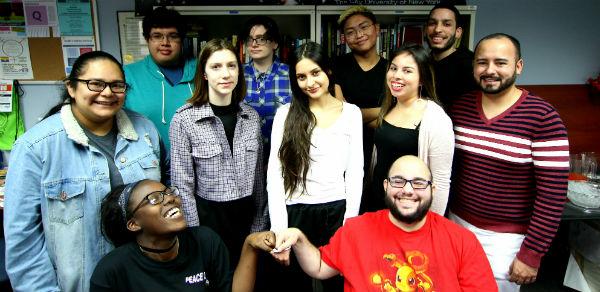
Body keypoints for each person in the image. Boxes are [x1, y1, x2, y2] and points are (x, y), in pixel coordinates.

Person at [4, 51, 167, 292]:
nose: (107, 92)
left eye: (116, 85)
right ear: (71, 88)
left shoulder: (145, 130)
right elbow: (22, 238)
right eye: (96, 84)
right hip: (81, 283)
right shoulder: (36, 147)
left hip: (145, 277)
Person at [449, 33, 569, 291]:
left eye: (500, 63)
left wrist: (531, 254)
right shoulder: (460, 108)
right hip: (455, 226)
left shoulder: (543, 117)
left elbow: (553, 194)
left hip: (505, 241)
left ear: (519, 66)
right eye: (482, 63)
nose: (490, 70)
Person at [272, 155, 498, 291]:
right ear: (385, 186)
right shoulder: (356, 230)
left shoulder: (462, 241)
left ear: (433, 189)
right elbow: (320, 268)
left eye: (419, 183)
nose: (408, 190)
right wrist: (299, 238)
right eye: (398, 181)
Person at [267, 41, 363, 291]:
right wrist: (279, 229)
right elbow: (275, 175)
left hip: (336, 211)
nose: (310, 82)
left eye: (315, 73)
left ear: (328, 71)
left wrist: (349, 224)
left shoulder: (351, 114)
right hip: (296, 212)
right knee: (294, 285)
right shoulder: (285, 114)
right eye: (301, 76)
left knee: (337, 284)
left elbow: (355, 172)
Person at [170, 38, 268, 269]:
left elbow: (259, 180)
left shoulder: (251, 117)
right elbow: (182, 185)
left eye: (231, 66)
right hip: (208, 219)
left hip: (246, 217)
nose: (225, 74)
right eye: (216, 67)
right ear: (204, 74)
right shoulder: (184, 119)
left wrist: (259, 226)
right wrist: (194, 235)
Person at [90, 179, 275, 292]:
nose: (171, 198)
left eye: (169, 192)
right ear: (133, 224)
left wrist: (250, 245)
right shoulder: (111, 270)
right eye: (154, 199)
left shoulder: (205, 241)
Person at [368, 43, 454, 214]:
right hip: (377, 201)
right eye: (393, 68)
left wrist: (432, 223)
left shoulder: (436, 119)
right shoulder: (389, 106)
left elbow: (441, 181)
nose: (396, 76)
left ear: (422, 78)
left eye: (407, 71)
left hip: (409, 208)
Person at [124, 6, 196, 150]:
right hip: (149, 166)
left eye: (173, 36)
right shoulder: (127, 74)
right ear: (147, 39)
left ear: (182, 39)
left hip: (199, 165)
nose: (165, 42)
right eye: (157, 36)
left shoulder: (202, 70)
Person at [333, 6, 387, 188]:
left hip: (382, 150)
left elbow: (399, 118)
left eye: (364, 27)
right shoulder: (336, 66)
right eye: (351, 31)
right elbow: (340, 115)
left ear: (377, 29)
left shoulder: (392, 69)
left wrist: (355, 114)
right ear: (344, 38)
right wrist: (382, 111)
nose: (359, 34)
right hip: (344, 152)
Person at [242, 16, 292, 154]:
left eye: (261, 39)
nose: (254, 44)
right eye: (250, 39)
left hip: (283, 156)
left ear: (275, 43)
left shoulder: (291, 74)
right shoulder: (236, 75)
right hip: (247, 160)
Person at [425, 3, 477, 108]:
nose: (437, 29)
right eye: (432, 23)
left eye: (446, 24)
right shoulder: (420, 63)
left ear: (458, 32)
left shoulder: (472, 66)